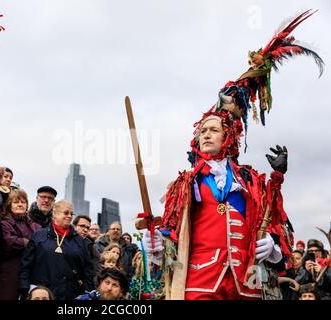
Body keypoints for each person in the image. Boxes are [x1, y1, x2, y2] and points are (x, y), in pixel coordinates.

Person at [139, 11, 325, 300]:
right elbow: (173, 232)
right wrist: (157, 245)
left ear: (229, 136)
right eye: (202, 131)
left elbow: (273, 224)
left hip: (246, 281)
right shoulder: (186, 183)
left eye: (213, 129)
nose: (206, 135)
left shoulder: (251, 181)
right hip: (201, 280)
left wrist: (274, 249)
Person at [19, 200, 92, 300]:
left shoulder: (79, 240)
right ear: (55, 213)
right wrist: (25, 288)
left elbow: (88, 269)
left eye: (71, 213)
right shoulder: (39, 236)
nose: (70, 216)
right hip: (42, 294)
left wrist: (86, 292)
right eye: (66, 213)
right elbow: (26, 265)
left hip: (70, 294)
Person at [0, 189, 40, 300]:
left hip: (30, 270)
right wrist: (29, 242)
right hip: (9, 270)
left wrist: (24, 242)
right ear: (10, 205)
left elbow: (40, 240)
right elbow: (9, 241)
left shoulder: (34, 225)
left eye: (23, 202)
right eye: (16, 202)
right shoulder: (4, 223)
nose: (20, 204)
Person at [73, 215, 100, 286]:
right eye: (82, 226)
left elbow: (95, 271)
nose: (85, 230)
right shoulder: (63, 241)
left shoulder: (91, 247)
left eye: (87, 228)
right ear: (74, 226)